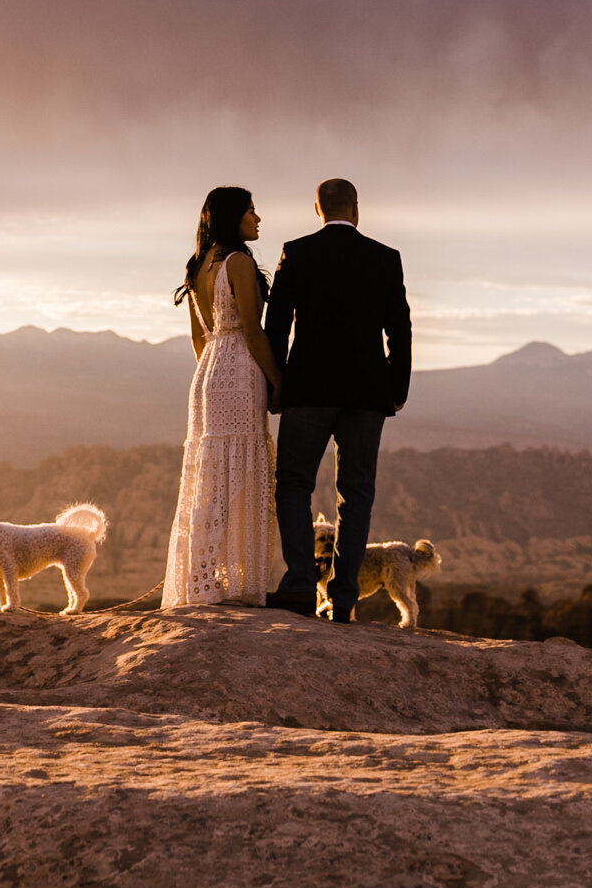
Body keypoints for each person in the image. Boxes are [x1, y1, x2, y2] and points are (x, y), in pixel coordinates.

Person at [262, 178, 412, 622]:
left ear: (317, 209)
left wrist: (276, 385)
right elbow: (399, 330)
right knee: (357, 494)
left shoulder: (298, 251)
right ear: (357, 208)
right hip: (367, 394)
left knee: (292, 486)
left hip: (307, 390)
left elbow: (277, 326)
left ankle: (300, 588)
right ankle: (344, 598)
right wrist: (396, 389)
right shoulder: (385, 258)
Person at [162, 184, 282, 608]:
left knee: (210, 479)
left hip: (207, 374)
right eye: (251, 210)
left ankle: (202, 582)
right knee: (241, 474)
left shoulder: (198, 266)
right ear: (234, 216)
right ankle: (238, 587)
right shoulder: (239, 262)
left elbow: (199, 337)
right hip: (238, 368)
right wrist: (277, 382)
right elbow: (252, 330)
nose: (258, 218)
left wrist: (211, 376)